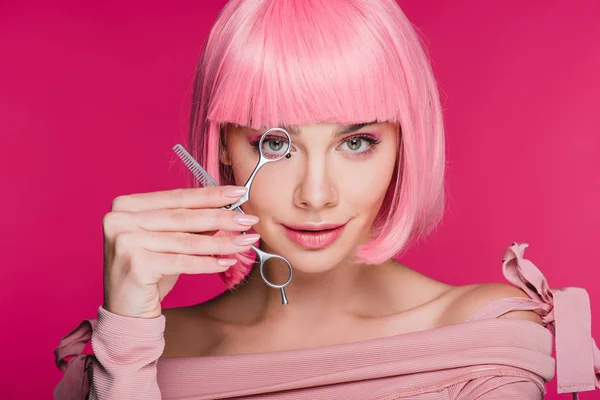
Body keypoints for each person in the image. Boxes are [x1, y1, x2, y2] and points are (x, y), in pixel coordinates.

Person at [53, 0, 600, 398]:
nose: (316, 195)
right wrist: (126, 339)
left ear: (405, 143)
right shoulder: (141, 346)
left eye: (356, 142)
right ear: (222, 143)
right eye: (274, 143)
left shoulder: (484, 338)